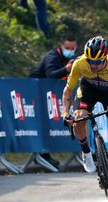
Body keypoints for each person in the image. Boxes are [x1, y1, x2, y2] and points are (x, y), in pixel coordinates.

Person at [62, 36, 108, 196]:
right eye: (91, 62)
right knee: (79, 118)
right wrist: (65, 113)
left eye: (98, 62)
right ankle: (86, 152)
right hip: (89, 90)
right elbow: (68, 91)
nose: (94, 66)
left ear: (105, 57)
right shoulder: (79, 64)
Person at [30, 34, 78, 168]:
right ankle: (41, 155)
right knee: (43, 124)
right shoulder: (52, 56)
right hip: (37, 93)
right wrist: (66, 69)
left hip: (54, 95)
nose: (70, 50)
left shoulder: (73, 57)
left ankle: (47, 155)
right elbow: (51, 74)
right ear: (61, 46)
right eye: (67, 47)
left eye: (72, 48)